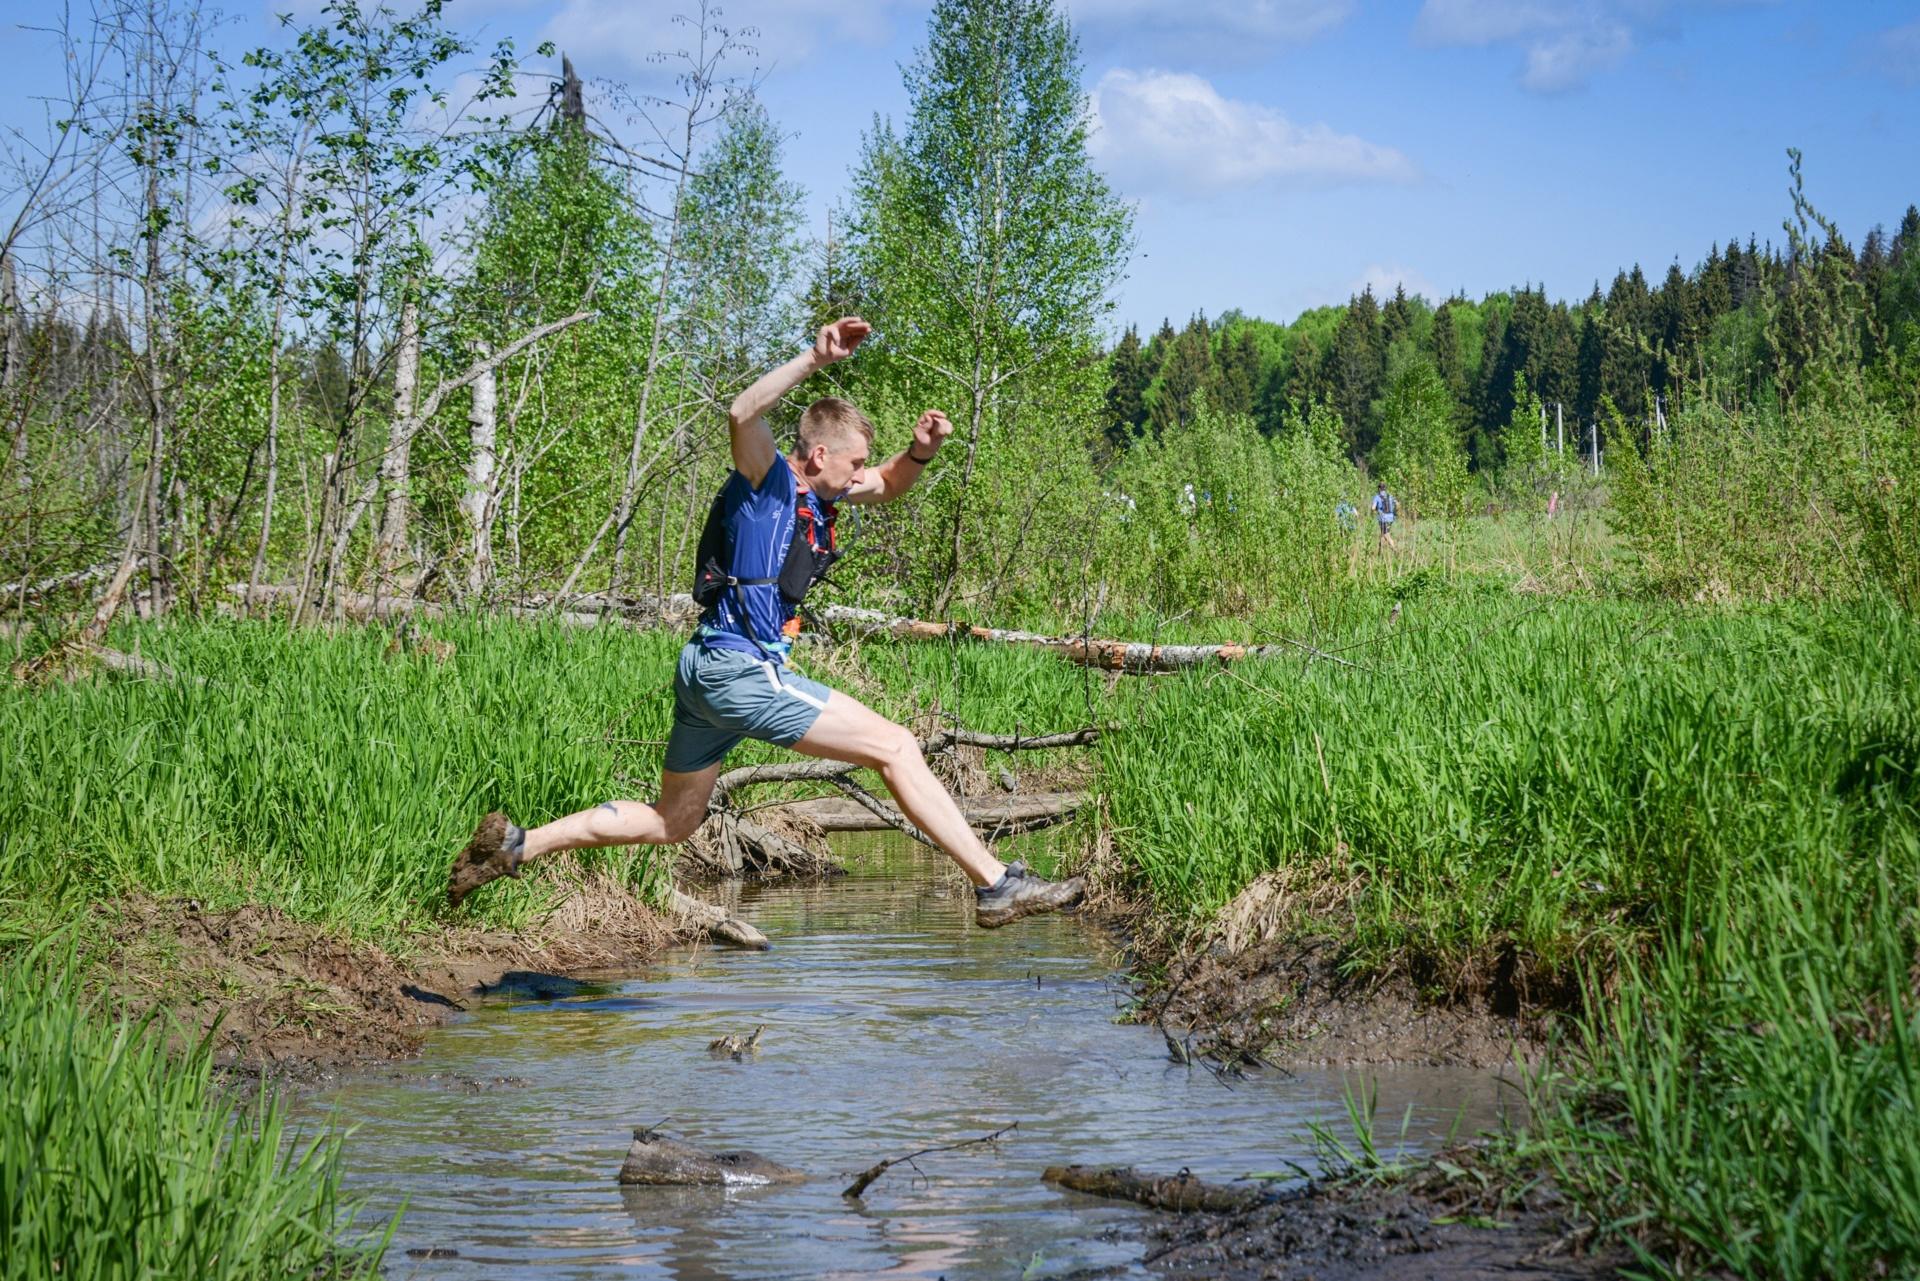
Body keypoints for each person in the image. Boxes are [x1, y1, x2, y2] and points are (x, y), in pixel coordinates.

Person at [446, 317, 1085, 929]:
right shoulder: (767, 478)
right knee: (896, 746)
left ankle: (517, 846)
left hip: (704, 671)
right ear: (818, 453)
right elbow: (741, 413)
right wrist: (816, 358)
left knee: (675, 820)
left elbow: (888, 485)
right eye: (854, 462)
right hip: (737, 668)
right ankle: (995, 883)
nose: (862, 473)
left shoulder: (825, 492)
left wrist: (920, 452)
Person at [1370, 481, 1399, 551]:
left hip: (1383, 519)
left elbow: (1373, 508)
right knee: (1383, 533)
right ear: (1385, 488)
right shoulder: (1390, 496)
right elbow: (1397, 504)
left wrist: (1373, 513)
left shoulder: (1377, 497)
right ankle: (1379, 552)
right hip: (1391, 518)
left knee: (1386, 535)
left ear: (1379, 489)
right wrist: (1395, 512)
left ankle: (1395, 550)